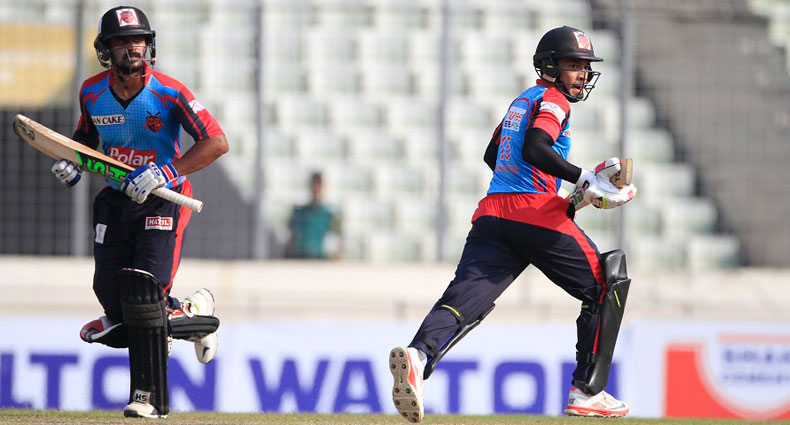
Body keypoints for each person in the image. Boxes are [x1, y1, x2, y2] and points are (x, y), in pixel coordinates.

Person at [388, 26, 637, 422]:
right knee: (608, 282)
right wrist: (583, 179)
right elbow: (536, 147)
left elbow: (494, 154)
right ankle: (588, 392)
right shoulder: (554, 100)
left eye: (585, 66)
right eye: (574, 64)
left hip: (492, 214)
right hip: (531, 213)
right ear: (550, 66)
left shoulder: (523, 100)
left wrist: (570, 197)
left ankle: (418, 357)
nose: (583, 74)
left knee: (465, 298)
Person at [50, 6, 228, 418]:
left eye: (138, 41)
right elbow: (85, 140)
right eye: (121, 42)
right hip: (116, 201)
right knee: (114, 303)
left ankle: (147, 399)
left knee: (145, 296)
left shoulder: (169, 92)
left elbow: (217, 142)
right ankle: (191, 314)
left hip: (164, 198)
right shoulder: (91, 92)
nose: (132, 48)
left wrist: (168, 171)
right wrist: (72, 163)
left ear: (149, 46)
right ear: (105, 50)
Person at [286, 171, 341, 259]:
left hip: (319, 259)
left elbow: (339, 238)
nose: (316, 188)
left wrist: (335, 256)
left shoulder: (329, 215)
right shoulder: (298, 212)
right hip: (299, 257)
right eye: (314, 184)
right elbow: (290, 238)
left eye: (319, 185)